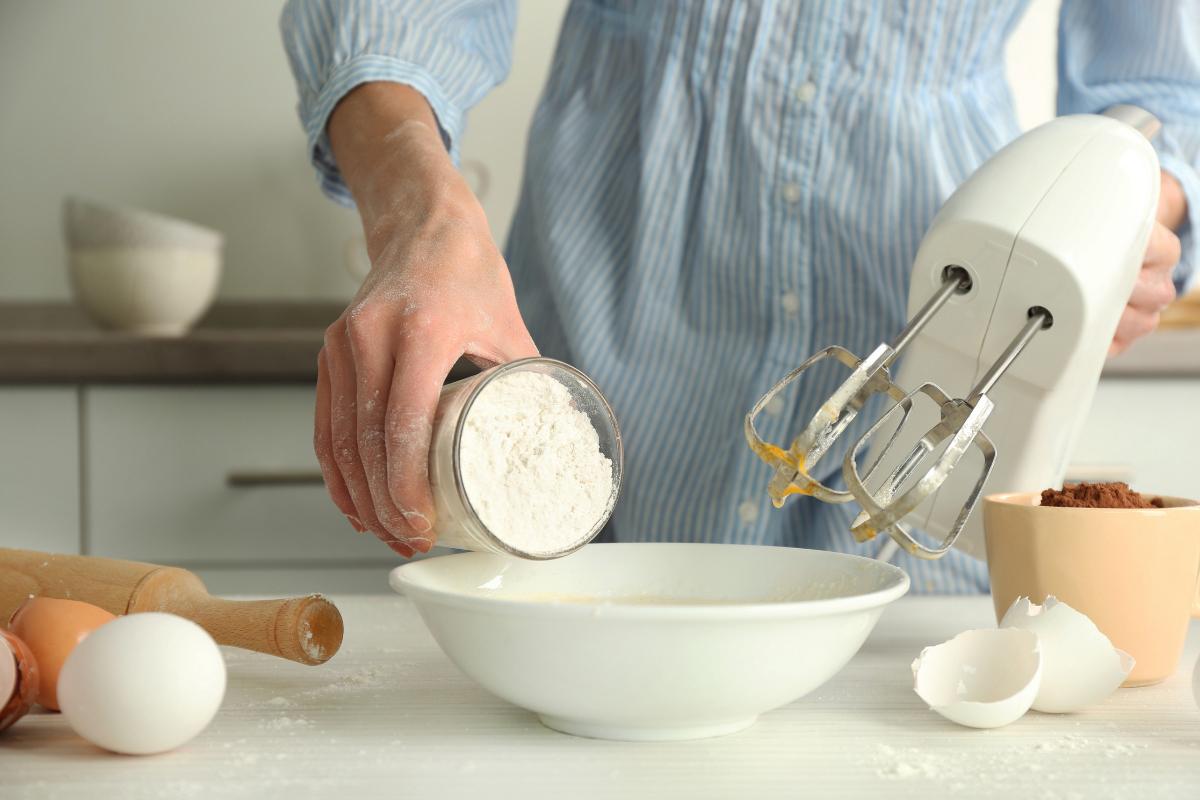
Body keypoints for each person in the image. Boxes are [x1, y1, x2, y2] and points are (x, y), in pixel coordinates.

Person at [280, 1, 1198, 592]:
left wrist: (1133, 205)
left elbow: (1162, 85)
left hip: (933, 405)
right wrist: (416, 212)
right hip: (596, 339)